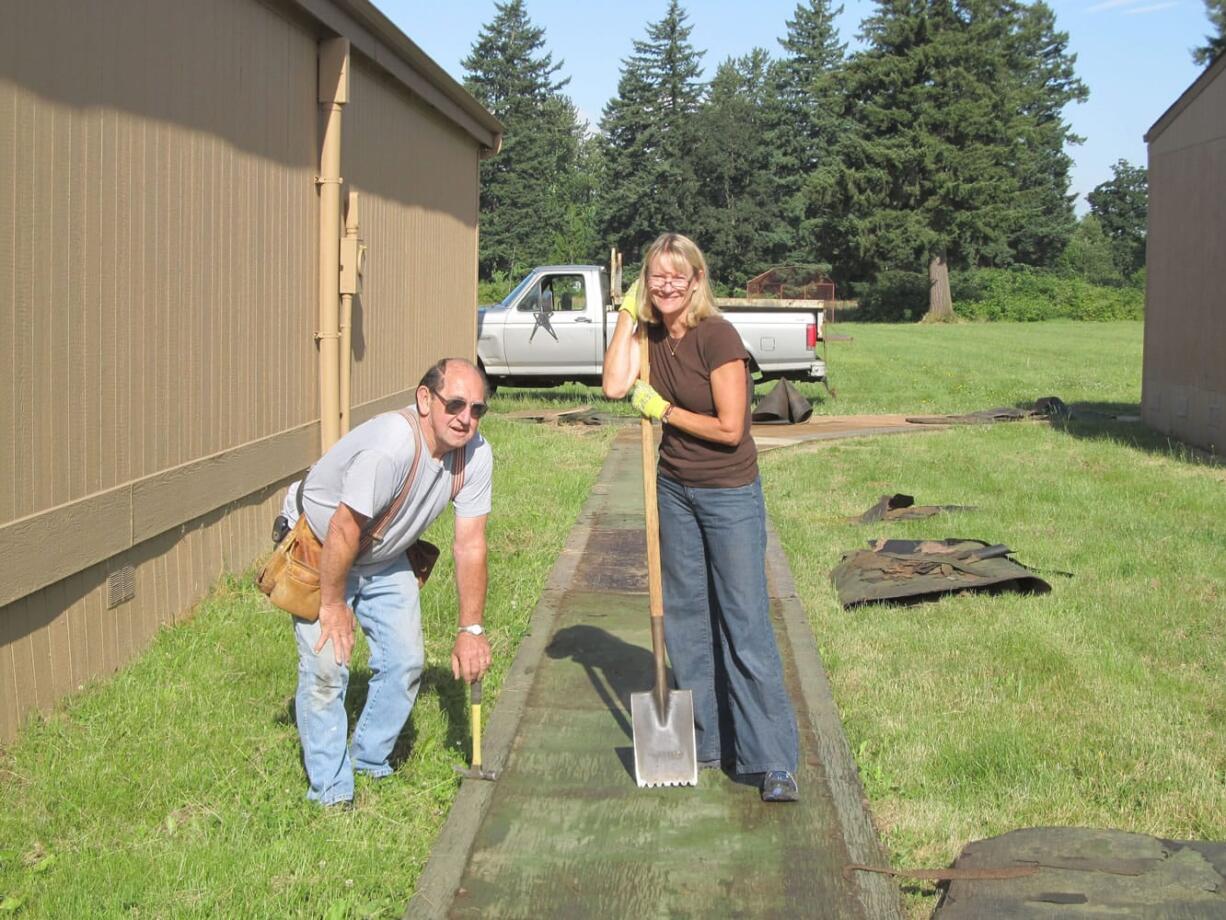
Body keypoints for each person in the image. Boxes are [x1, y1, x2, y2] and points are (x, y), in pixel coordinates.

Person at [602, 233, 801, 803]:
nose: (666, 285)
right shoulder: (651, 335)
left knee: (743, 622)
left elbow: (731, 429)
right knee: (688, 620)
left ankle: (772, 760)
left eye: (675, 276)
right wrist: (626, 313)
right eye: (654, 277)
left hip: (729, 493)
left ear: (696, 280)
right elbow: (616, 385)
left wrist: (664, 411)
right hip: (675, 490)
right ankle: (708, 742)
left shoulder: (718, 336)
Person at [289, 357, 493, 808]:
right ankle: (332, 793)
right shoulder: (391, 445)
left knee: (405, 661)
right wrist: (333, 604)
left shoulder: (475, 455)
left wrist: (470, 630)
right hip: (323, 546)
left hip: (381, 555)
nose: (466, 418)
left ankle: (368, 761)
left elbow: (471, 545)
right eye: (455, 404)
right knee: (326, 667)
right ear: (425, 399)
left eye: (477, 409)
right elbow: (343, 527)